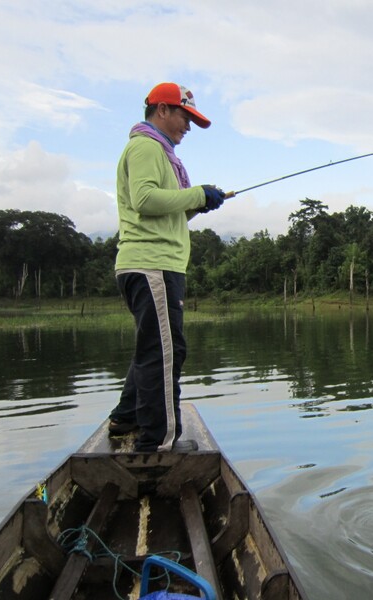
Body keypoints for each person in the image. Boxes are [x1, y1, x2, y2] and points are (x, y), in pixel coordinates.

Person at [107, 82, 232, 452]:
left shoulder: (157, 152)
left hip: (153, 265)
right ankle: (158, 443)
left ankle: (127, 416)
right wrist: (196, 194)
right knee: (167, 351)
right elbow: (145, 199)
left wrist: (200, 204)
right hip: (152, 265)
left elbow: (163, 209)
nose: (188, 127)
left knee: (154, 347)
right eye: (184, 116)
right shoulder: (146, 146)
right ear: (162, 110)